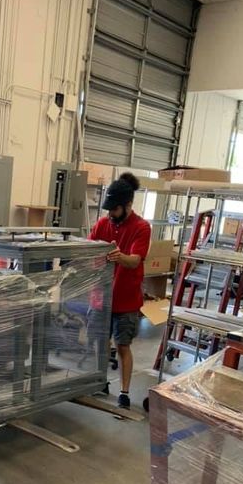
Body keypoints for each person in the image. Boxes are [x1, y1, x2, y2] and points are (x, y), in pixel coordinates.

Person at [88, 172, 151, 409]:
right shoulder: (103, 223)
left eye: (114, 210)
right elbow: (89, 247)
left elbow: (135, 261)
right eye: (108, 210)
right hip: (100, 297)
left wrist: (120, 257)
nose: (110, 215)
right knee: (100, 342)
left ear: (127, 206)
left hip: (126, 300)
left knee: (122, 346)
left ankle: (124, 392)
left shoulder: (141, 227)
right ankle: (99, 382)